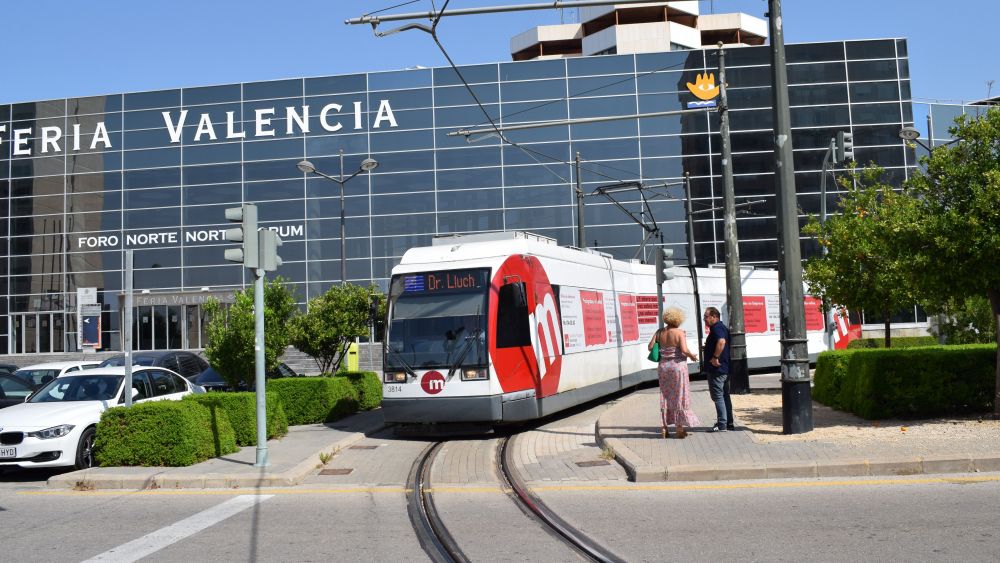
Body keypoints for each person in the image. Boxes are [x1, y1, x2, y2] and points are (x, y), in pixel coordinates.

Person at [647, 307, 700, 439]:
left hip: (664, 367)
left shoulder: (659, 332)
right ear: (678, 319)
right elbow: (683, 349)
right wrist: (691, 356)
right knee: (679, 395)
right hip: (677, 367)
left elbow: (650, 347)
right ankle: (679, 428)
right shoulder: (679, 332)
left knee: (665, 396)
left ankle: (664, 428)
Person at [703, 307, 734, 432]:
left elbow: (721, 342)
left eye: (706, 316)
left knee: (718, 396)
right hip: (724, 368)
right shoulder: (721, 327)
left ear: (714, 317)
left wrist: (715, 357)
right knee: (725, 396)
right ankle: (728, 423)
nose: (704, 319)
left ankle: (722, 424)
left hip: (717, 369)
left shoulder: (717, 328)